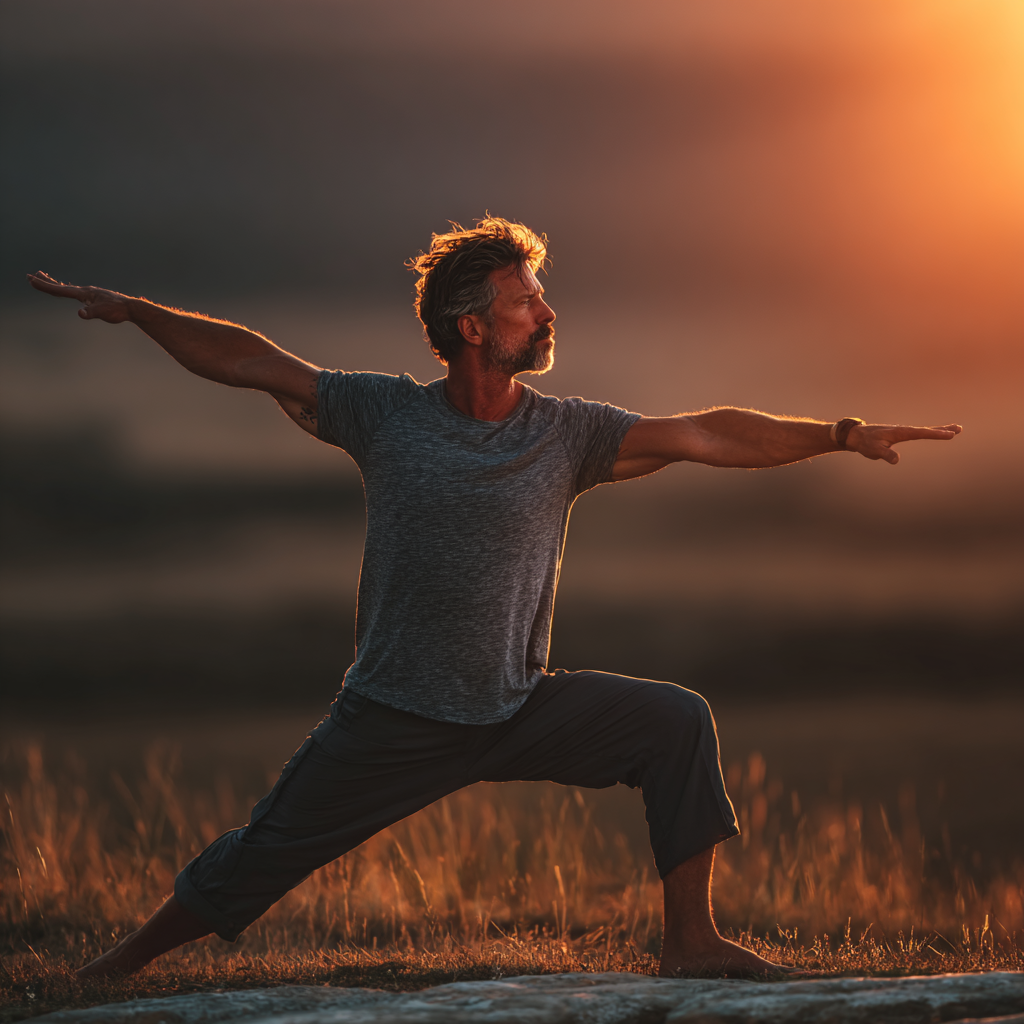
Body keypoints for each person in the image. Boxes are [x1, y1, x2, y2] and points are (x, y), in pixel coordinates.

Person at [27, 217, 960, 980]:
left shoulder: (570, 434)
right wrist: (139, 311)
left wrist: (842, 432)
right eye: (525, 302)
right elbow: (248, 361)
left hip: (519, 705)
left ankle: (692, 944)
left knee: (675, 723)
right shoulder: (384, 412)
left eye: (540, 297)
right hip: (393, 711)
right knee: (262, 853)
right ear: (472, 327)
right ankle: (107, 971)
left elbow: (711, 436)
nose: (546, 314)